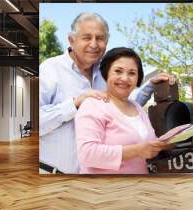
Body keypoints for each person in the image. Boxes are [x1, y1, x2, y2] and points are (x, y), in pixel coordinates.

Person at [39, 12, 175, 174]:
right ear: (71, 40)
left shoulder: (106, 73)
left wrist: (150, 86)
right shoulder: (50, 69)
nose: (94, 44)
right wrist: (74, 104)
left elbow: (123, 108)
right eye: (87, 37)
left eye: (100, 38)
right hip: (54, 172)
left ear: (107, 42)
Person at [75, 47, 173, 174]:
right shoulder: (93, 105)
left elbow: (149, 145)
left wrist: (168, 142)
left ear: (138, 77)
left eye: (132, 73)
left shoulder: (137, 107)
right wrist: (137, 150)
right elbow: (87, 154)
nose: (125, 78)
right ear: (106, 73)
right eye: (118, 71)